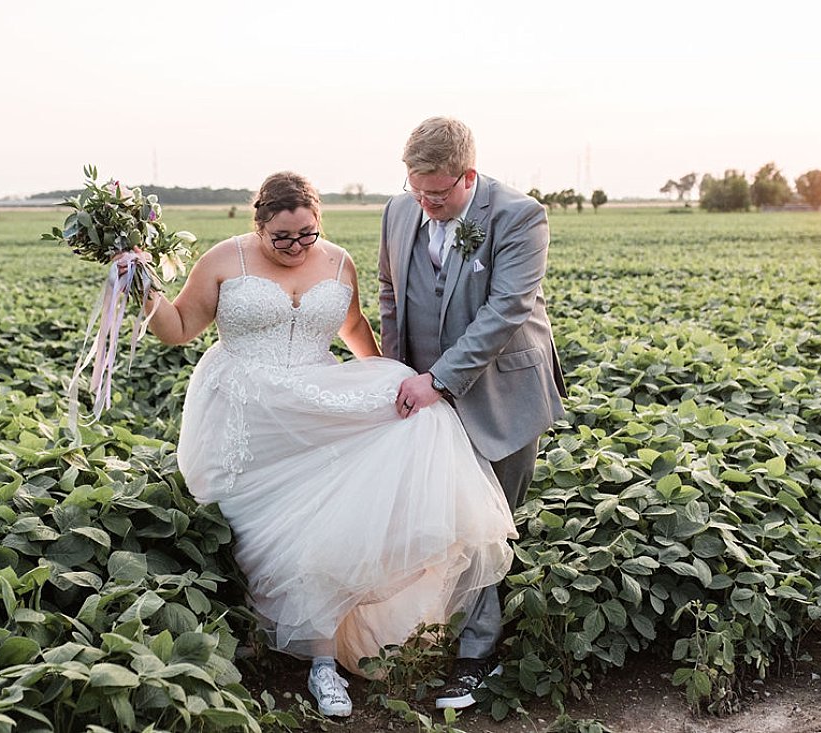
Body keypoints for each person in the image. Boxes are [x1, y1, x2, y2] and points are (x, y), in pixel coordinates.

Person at [139, 171, 516, 717]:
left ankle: (322, 664)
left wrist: (393, 384)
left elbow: (355, 327)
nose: (296, 247)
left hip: (312, 409)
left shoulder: (338, 261)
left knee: (325, 525)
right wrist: (142, 287)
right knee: (258, 533)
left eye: (307, 235)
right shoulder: (225, 259)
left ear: (320, 223)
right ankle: (245, 644)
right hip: (245, 413)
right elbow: (176, 328)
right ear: (259, 224)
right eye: (282, 238)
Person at [378, 117, 567, 710]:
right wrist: (396, 372)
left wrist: (442, 379)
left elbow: (504, 312)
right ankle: (434, 631)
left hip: (499, 396)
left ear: (469, 176)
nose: (427, 205)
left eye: (438, 195)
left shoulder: (519, 216)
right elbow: (390, 293)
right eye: (418, 191)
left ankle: (475, 659)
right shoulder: (398, 211)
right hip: (422, 393)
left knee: (487, 526)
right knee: (436, 517)